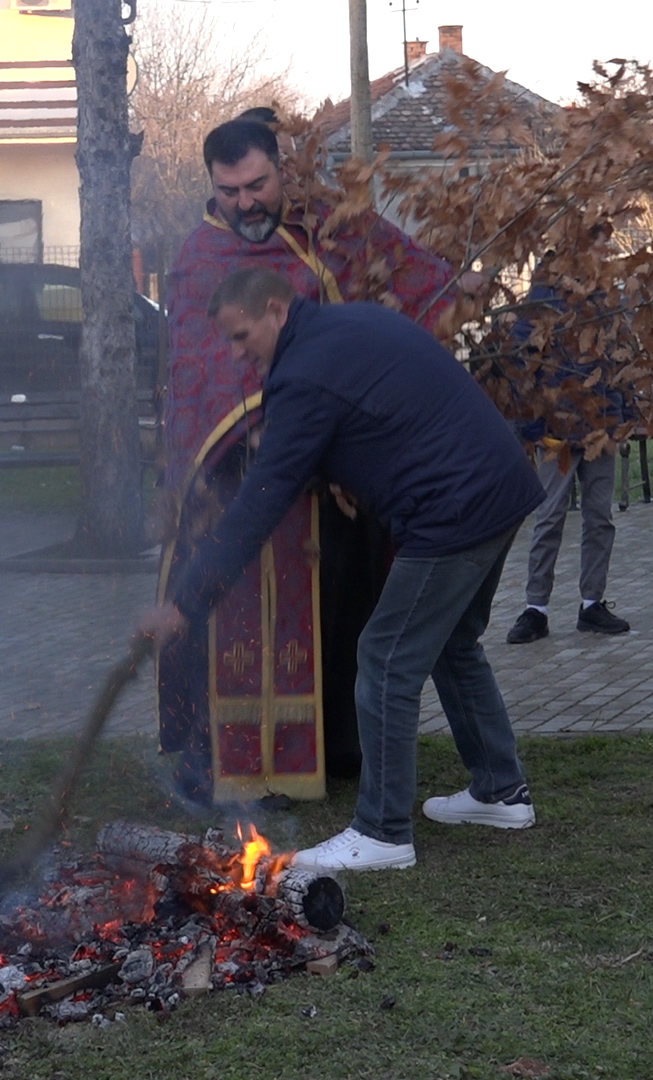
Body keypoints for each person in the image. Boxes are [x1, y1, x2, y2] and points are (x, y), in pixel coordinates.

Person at [140, 269, 546, 872]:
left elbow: (260, 501)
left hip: (453, 511)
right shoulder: (342, 324)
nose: (235, 353)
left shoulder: (303, 375)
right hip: (500, 487)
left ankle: (382, 832)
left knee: (384, 659)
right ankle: (500, 790)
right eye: (226, 341)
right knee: (453, 643)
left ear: (276, 310)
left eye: (241, 335)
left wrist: (184, 602)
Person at [160, 114, 466, 804]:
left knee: (342, 604)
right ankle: (228, 757)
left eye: (258, 184)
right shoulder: (198, 259)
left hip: (333, 480)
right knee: (235, 618)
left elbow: (409, 282)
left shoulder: (331, 228)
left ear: (282, 171)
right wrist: (248, 431)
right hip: (237, 480)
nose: (246, 203)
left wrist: (458, 290)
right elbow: (196, 372)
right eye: (230, 189)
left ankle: (335, 745)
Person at [501, 267, 635, 645]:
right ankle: (535, 608)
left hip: (600, 427)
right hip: (553, 433)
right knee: (548, 518)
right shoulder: (534, 316)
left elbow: (624, 366)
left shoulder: (606, 309)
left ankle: (592, 604)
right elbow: (519, 377)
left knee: (599, 517)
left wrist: (623, 418)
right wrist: (529, 429)